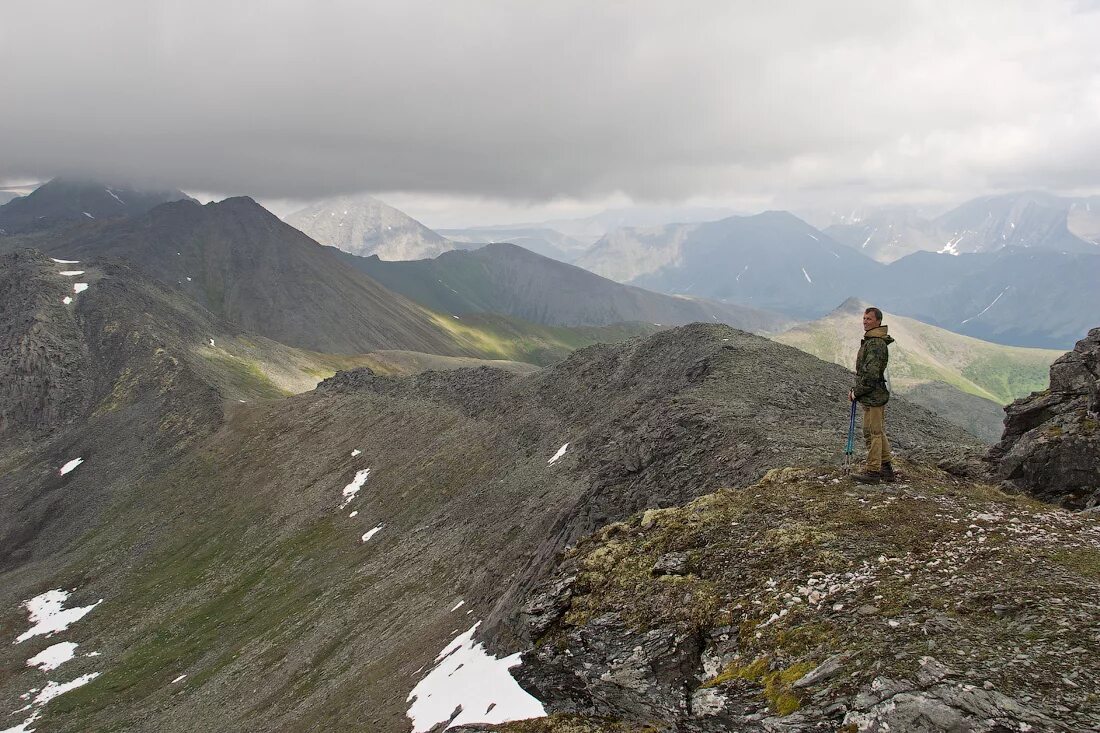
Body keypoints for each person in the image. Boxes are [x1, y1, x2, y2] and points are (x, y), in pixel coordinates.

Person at [849, 306, 895, 483]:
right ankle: (886, 469)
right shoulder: (872, 340)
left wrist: (856, 392)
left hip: (873, 396)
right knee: (875, 431)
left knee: (873, 433)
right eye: (864, 318)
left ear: (878, 321)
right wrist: (858, 391)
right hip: (871, 395)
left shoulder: (875, 343)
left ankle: (873, 471)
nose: (865, 321)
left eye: (868, 319)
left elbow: (871, 374)